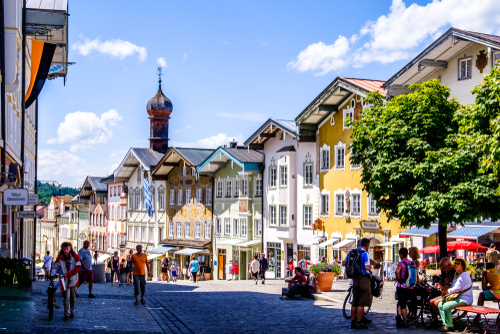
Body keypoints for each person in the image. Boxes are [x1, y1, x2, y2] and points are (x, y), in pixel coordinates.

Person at [437, 258, 473, 332]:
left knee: (446, 306)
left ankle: (450, 326)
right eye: (455, 263)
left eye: (458, 263)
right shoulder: (457, 276)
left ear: (462, 266)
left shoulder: (464, 276)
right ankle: (446, 324)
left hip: (465, 299)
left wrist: (446, 291)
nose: (455, 265)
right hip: (458, 297)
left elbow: (456, 289)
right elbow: (454, 288)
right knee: (440, 304)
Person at [344, 238, 372, 330]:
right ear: (367, 245)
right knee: (361, 302)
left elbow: (344, 263)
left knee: (354, 301)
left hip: (354, 278)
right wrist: (371, 266)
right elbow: (367, 267)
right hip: (363, 278)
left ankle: (352, 322)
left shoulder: (352, 252)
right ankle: (359, 322)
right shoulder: (365, 254)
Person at [50, 242, 81, 320]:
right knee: (66, 297)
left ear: (70, 249)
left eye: (67, 249)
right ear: (62, 249)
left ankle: (71, 311)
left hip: (74, 280)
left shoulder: (75, 257)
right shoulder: (60, 258)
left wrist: (68, 274)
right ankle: (66, 314)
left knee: (73, 298)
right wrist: (52, 274)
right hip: (65, 281)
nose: (66, 251)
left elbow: (77, 267)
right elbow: (55, 266)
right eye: (64, 249)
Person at [428, 257, 456, 327]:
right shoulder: (447, 272)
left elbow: (455, 288)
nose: (443, 269)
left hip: (451, 294)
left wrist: (445, 288)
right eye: (442, 268)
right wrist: (441, 285)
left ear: (449, 264)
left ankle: (446, 322)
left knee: (436, 303)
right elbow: (446, 283)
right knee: (431, 301)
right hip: (445, 293)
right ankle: (435, 320)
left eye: (444, 267)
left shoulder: (455, 273)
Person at [395, 248, 413, 328]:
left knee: (402, 304)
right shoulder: (412, 263)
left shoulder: (401, 263)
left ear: (401, 255)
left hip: (402, 286)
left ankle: (405, 321)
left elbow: (397, 272)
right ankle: (399, 316)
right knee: (403, 302)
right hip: (410, 287)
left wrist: (398, 278)